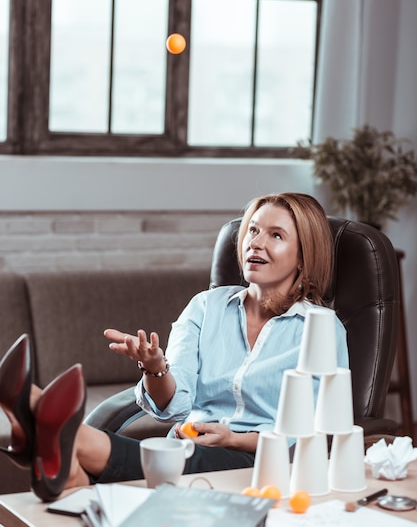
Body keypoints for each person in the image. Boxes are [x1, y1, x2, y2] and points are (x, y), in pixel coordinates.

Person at [0, 192, 349, 502]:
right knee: (72, 479)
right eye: (253, 230)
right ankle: (40, 432)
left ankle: (33, 415)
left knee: (75, 445)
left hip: (262, 463)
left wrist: (233, 438)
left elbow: (312, 432)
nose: (256, 243)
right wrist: (155, 367)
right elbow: (174, 405)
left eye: (276, 235)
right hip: (186, 446)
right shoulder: (206, 307)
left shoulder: (319, 329)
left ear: (303, 256)